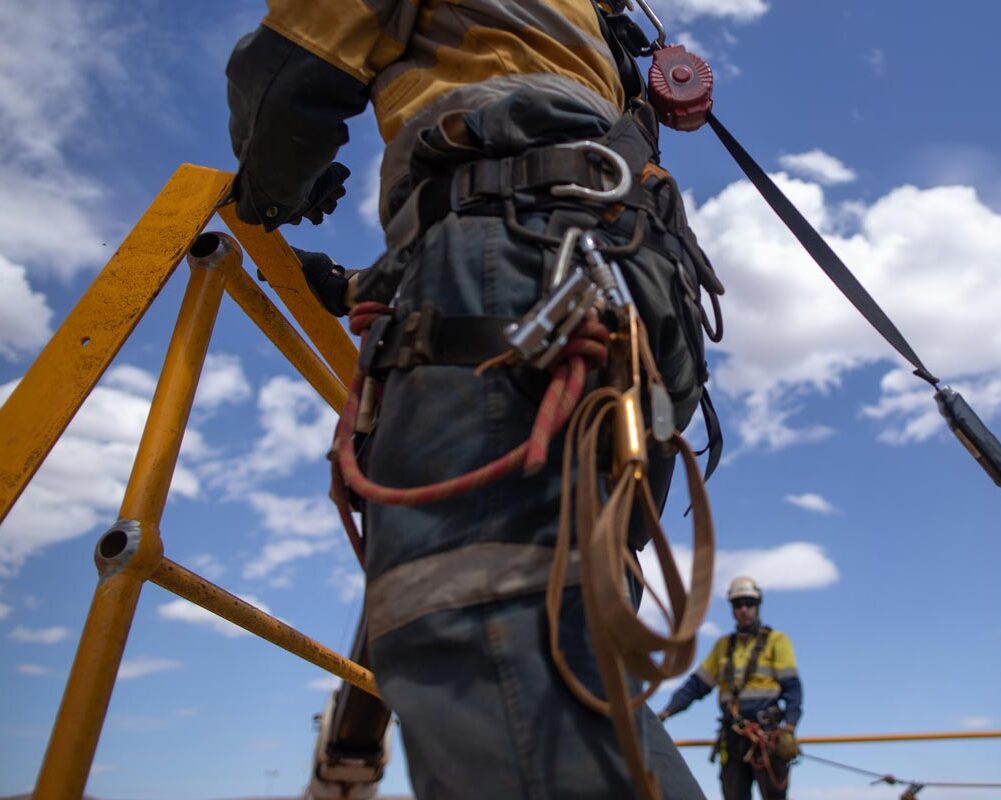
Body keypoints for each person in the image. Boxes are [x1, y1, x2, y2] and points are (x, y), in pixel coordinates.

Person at [224, 2, 724, 798]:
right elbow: (547, 163)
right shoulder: (593, 31)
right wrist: (374, 284)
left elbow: (286, 76)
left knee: (487, 629)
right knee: (568, 646)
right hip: (632, 287)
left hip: (529, 258)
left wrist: (272, 194)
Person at [659, 577, 802, 800]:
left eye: (748, 603)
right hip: (733, 738)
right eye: (738, 604)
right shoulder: (723, 647)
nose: (744, 609)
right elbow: (696, 686)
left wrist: (790, 727)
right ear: (733, 609)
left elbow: (793, 689)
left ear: (757, 605)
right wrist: (667, 712)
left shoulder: (777, 641)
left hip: (766, 736)